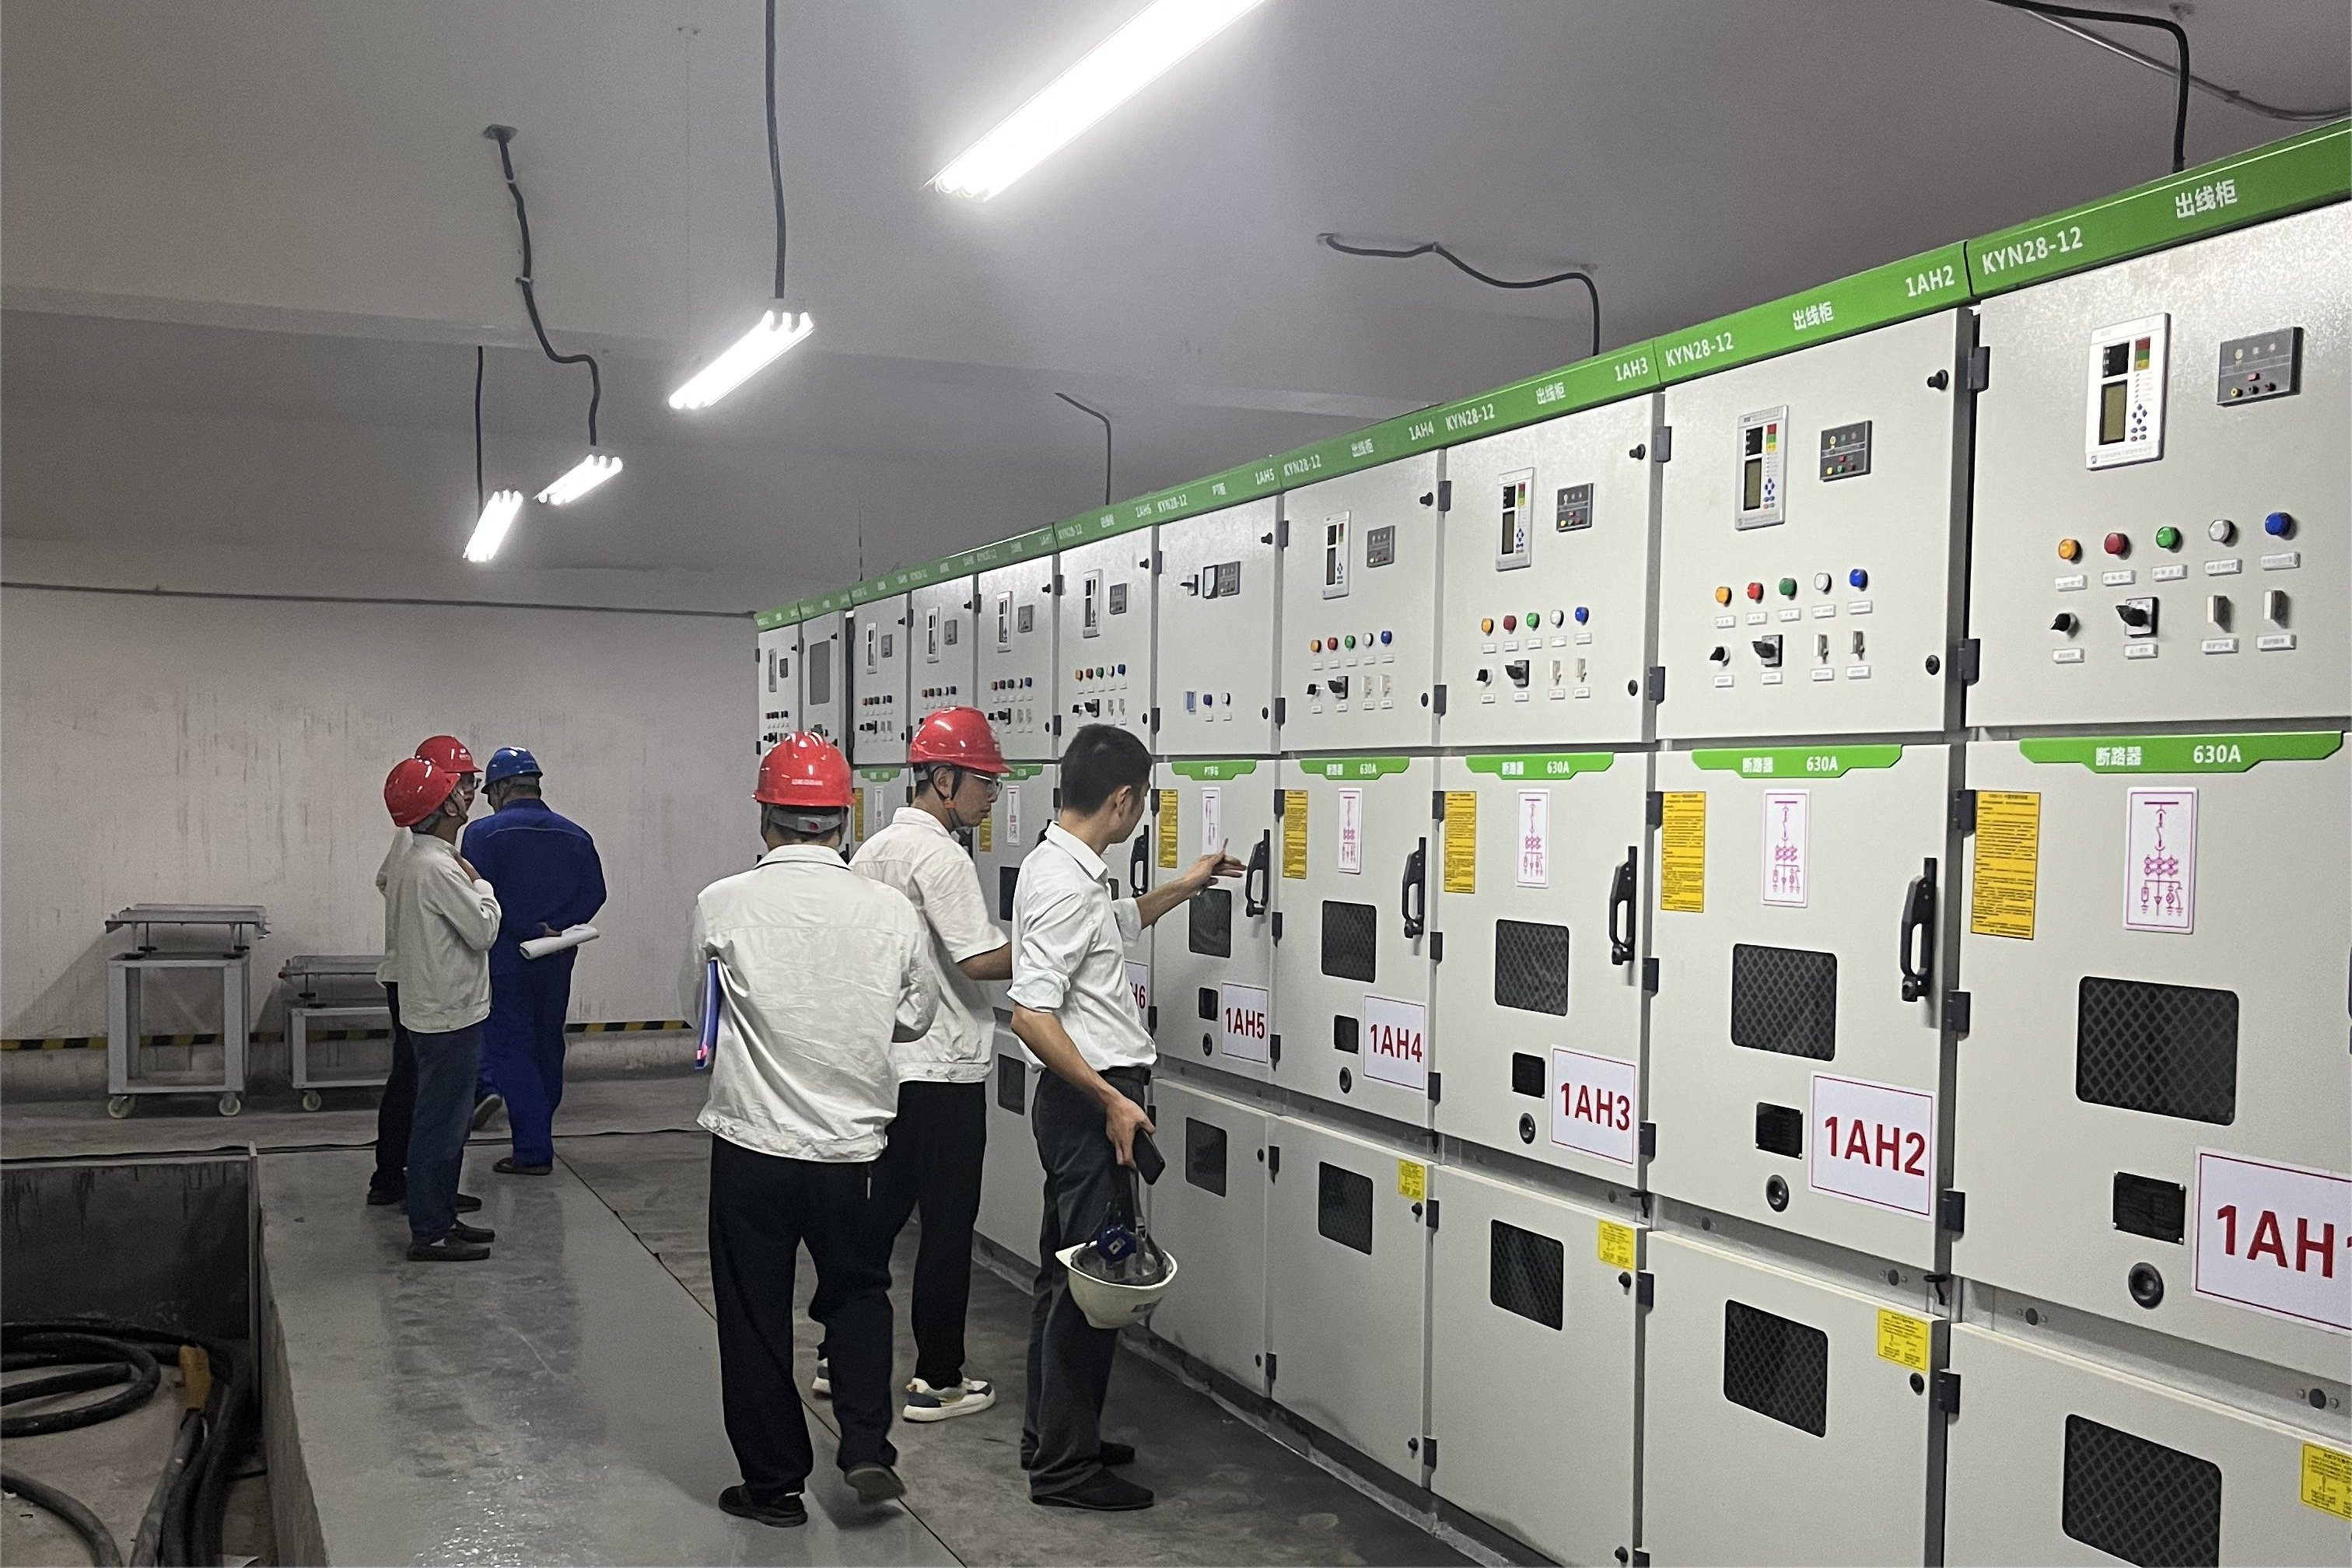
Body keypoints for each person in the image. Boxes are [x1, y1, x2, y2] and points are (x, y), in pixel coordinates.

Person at [684, 732, 936, 1528]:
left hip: (751, 1144)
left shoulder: (722, 902)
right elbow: (917, 1015)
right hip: (852, 1150)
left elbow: (698, 1014)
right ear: (842, 819)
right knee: (859, 1292)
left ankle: (774, 1486)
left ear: (765, 816)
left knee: (753, 1312)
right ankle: (865, 1446)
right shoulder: (889, 910)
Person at [1009, 723, 1241, 1511]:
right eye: (1142, 801)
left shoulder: (1063, 869)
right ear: (1123, 800)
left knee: (1065, 1276)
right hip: (1091, 1102)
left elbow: (1116, 925)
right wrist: (1112, 1100)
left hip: (1085, 1099)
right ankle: (1065, 1470)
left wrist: (1187, 884)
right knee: (1096, 1283)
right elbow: (1031, 1015)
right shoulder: (1065, 885)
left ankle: (1054, 1436)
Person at [823, 707, 1012, 1423]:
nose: (991, 797)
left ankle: (837, 1353)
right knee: (946, 1230)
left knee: (879, 1219)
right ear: (943, 779)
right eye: (984, 782)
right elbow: (979, 959)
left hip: (892, 1066)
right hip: (945, 1071)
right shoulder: (942, 857)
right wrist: (1062, 941)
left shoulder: (872, 851)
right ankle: (938, 1378)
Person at [379, 754, 502, 1262]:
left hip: (435, 1010)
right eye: (458, 787)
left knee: (444, 1123)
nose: (466, 792)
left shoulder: (417, 861)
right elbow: (483, 930)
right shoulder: (437, 868)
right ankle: (430, 1230)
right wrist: (482, 886)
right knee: (440, 1127)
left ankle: (442, 1216)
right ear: (445, 805)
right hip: (449, 1014)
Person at [462, 746, 607, 1177]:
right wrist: (556, 926)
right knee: (547, 1044)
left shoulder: (482, 834)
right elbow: (595, 894)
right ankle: (539, 1129)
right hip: (556, 957)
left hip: (506, 958)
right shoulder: (576, 835)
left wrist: (523, 927)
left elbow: (477, 896)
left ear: (502, 788)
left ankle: (532, 1149)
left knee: (511, 1048)